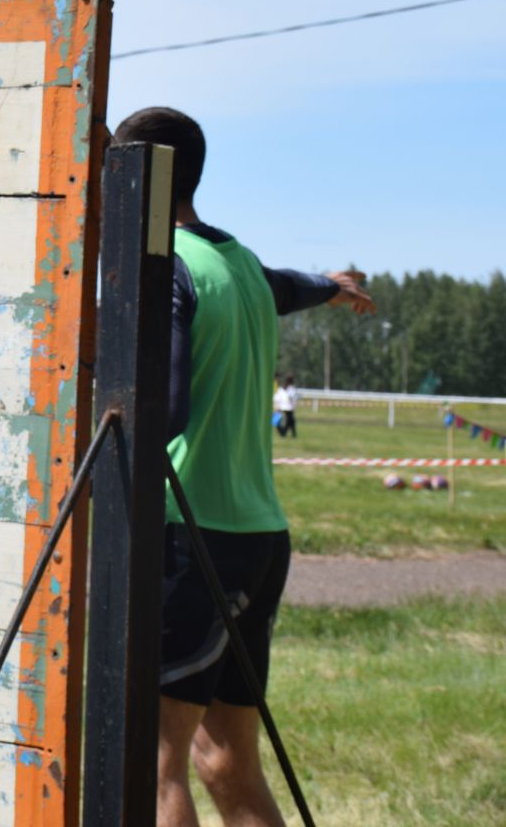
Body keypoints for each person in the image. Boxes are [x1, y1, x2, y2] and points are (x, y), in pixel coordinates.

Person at [113, 108, 373, 827]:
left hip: (188, 539)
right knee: (227, 763)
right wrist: (333, 283)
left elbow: (160, 412)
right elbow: (289, 284)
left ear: (139, 177)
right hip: (260, 541)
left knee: (154, 767)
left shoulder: (164, 271)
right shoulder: (239, 266)